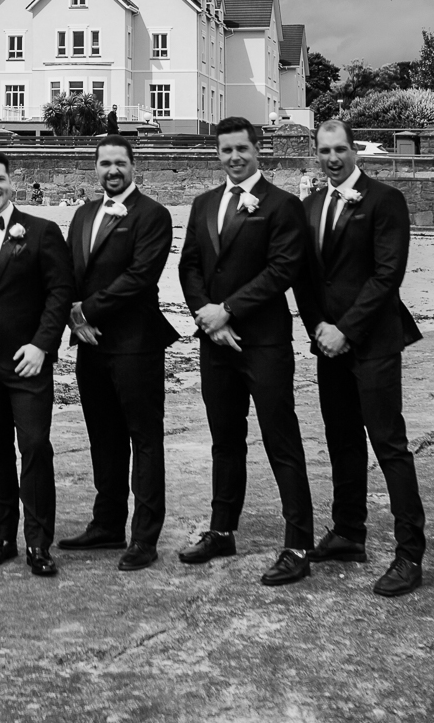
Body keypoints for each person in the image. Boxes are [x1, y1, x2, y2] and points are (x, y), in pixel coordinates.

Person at [177, 116, 314, 586]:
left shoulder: (282, 205)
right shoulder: (203, 203)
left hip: (264, 343)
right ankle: (222, 529)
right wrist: (207, 318)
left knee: (282, 441)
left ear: (258, 150)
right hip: (217, 344)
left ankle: (297, 542)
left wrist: (228, 310)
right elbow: (189, 266)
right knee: (225, 440)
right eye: (225, 150)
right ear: (217, 154)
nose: (234, 158)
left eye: (242, 149)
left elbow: (282, 270)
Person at [299, 120, 426, 597]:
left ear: (355, 151)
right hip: (327, 344)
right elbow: (306, 278)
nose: (333, 158)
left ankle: (410, 552)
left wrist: (346, 330)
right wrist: (319, 330)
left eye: (340, 150)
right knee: (342, 440)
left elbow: (387, 275)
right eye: (324, 151)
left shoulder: (384, 200)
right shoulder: (310, 206)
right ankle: (349, 532)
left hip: (372, 342)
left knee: (389, 444)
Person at [58, 135, 177, 571]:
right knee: (103, 438)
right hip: (89, 346)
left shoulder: (153, 215)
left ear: (133, 166)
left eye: (120, 163)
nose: (112, 170)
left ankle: (144, 537)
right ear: (95, 168)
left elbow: (140, 276)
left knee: (144, 440)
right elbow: (69, 271)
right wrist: (73, 318)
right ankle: (107, 524)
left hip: (136, 344)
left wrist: (86, 309)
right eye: (105, 163)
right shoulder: (83, 214)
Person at [0, 149, 74, 577]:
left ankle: (39, 543)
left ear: (12, 180)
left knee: (36, 447)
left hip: (28, 361)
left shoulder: (41, 232)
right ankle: (1, 537)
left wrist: (43, 346)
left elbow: (59, 293)